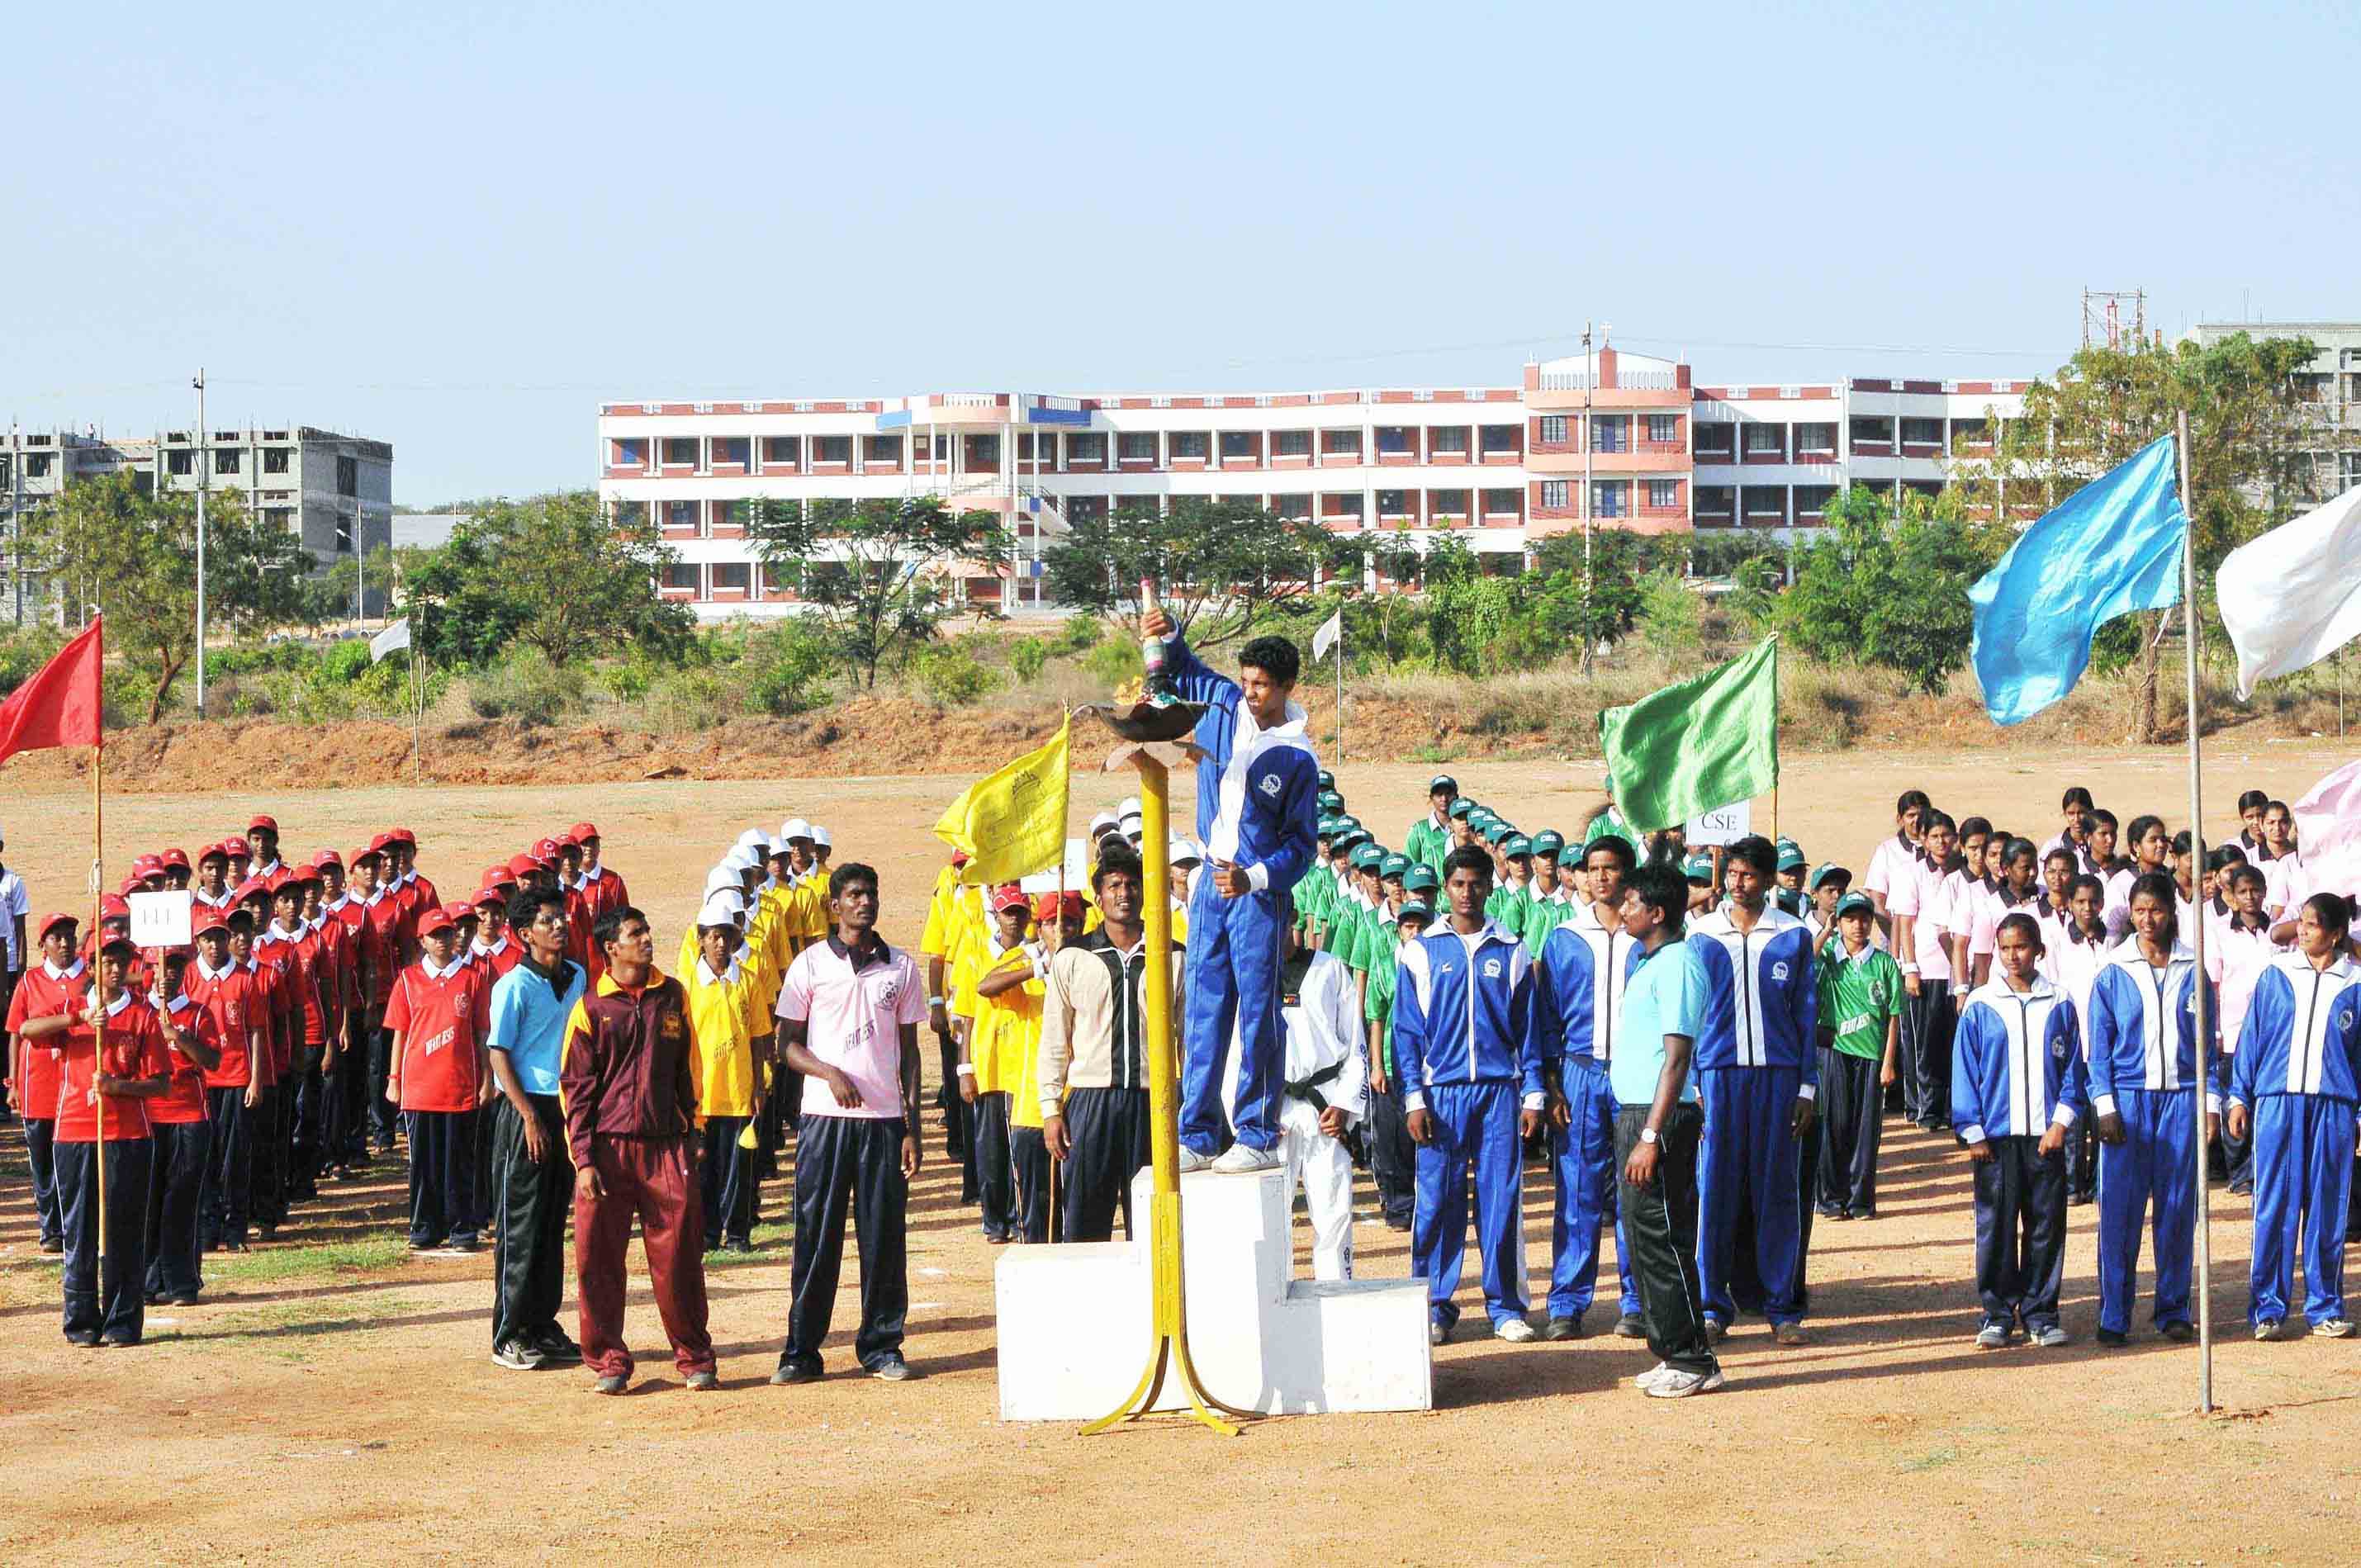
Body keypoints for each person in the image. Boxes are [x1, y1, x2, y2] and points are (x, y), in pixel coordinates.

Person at [1145, 605, 1320, 1177]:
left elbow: (1301, 845)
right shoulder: (1221, 702)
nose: (1250, 693)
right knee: (1202, 1008)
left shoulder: (1298, 756)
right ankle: (1196, 1132)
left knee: (1257, 1016)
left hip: (1257, 894)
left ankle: (1256, 1131)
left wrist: (1256, 877)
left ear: (1287, 687)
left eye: (1262, 685)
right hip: (1208, 883)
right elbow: (1183, 665)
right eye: (1245, 680)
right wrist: (1166, 631)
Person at [771, 862, 927, 1384]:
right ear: (834, 905)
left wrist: (913, 1127)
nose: (865, 902)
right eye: (855, 894)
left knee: (883, 1237)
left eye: (871, 893)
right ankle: (801, 1351)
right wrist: (828, 1071)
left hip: (883, 1122)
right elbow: (785, 1044)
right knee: (817, 1236)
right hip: (824, 1120)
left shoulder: (900, 967)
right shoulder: (809, 964)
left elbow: (910, 1052)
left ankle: (882, 1346)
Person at [1394, 846, 1545, 1346]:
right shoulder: (1422, 951)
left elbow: (1529, 1028)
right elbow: (1407, 1033)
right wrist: (1414, 1097)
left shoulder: (1511, 948)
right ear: (1445, 887)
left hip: (1500, 1092)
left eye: (1477, 883)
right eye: (1458, 884)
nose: (1467, 893)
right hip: (1442, 1095)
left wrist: (1534, 1092)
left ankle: (1504, 1306)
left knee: (1501, 1199)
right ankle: (1435, 1305)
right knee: (1438, 1201)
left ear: (1489, 886)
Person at [563, 905, 714, 1393]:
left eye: (647, 930)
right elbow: (576, 1090)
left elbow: (690, 1067)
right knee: (598, 1257)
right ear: (612, 947)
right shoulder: (591, 1008)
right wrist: (584, 1161)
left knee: (679, 1255)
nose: (648, 939)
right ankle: (609, 1360)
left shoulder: (673, 996)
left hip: (665, 1147)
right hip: (605, 1151)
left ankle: (694, 1357)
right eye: (636, 933)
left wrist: (695, 1130)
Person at [1686, 834, 1818, 1345]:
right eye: (1733, 875)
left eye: (1749, 876)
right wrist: (1694, 1079)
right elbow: (1692, 1015)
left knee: (1777, 1191)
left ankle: (1781, 1307)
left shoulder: (1792, 935)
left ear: (1767, 880)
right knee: (1715, 1189)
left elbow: (1806, 1014)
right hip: (1718, 1076)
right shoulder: (1702, 934)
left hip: (1778, 1076)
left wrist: (1806, 1087)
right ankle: (1712, 1305)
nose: (1739, 885)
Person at [2086, 874, 2219, 1347]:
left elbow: (2208, 1045)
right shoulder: (2113, 971)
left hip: (2181, 1098)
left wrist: (2210, 1104)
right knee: (2119, 1213)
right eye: (2140, 911)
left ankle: (2173, 1309)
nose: (2148, 919)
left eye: (2156, 910)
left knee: (2179, 1209)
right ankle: (2114, 1313)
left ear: (2171, 911)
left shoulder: (2193, 970)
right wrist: (2104, 1106)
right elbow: (2098, 1049)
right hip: (2128, 1100)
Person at [1610, 859, 1723, 1398]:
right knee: (1646, 1236)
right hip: (1638, 1110)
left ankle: (1691, 1356)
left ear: (1656, 912)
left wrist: (1650, 1135)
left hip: (1659, 1116)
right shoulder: (1651, 961)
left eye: (1631, 902)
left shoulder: (1678, 962)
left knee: (1662, 1237)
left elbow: (1676, 1059)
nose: (1621, 908)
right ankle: (1674, 1348)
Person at [23, 936, 171, 1345]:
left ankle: (123, 1321)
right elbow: (27, 1028)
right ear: (92, 968)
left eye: (122, 962)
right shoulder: (72, 1009)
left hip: (127, 1136)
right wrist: (80, 1020)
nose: (115, 969)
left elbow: (160, 1084)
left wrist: (117, 1087)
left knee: (124, 1230)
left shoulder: (142, 1016)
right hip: (74, 1133)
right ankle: (81, 1320)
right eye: (107, 962)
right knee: (80, 1232)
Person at [2226, 893, 2361, 1340]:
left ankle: (2324, 1307)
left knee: (2327, 1206)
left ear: (2337, 933)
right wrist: (2238, 1097)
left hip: (2334, 1105)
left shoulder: (2355, 983)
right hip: (2278, 1102)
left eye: (2312, 924)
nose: (2301, 931)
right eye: (2300, 922)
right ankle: (2268, 1306)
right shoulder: (2277, 974)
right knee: (2274, 1206)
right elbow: (2252, 1039)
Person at [1951, 913, 2084, 1348]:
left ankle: (2041, 1313)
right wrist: (1972, 1130)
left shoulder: (2060, 1002)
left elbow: (2072, 1070)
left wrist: (2061, 1122)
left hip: (2045, 1138)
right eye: (2005, 948)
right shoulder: (1981, 1004)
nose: (2013, 956)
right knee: (1997, 1227)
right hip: (1996, 1139)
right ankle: (1996, 1312)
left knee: (2046, 1226)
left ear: (2038, 950)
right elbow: (1966, 1070)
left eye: (2022, 947)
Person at [1532, 831, 1644, 1340]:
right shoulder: (1563, 937)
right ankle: (1567, 1301)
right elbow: (1547, 1015)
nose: (1601, 877)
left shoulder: (1648, 936)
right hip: (1578, 1071)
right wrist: (1550, 1083)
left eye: (1611, 868)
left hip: (1633, 1072)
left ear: (1627, 873)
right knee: (1576, 1186)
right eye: (1593, 868)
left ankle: (1636, 1299)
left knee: (1634, 1188)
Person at [1040, 845, 1181, 1242]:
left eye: (1133, 884)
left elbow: (1186, 1037)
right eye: (1114, 885)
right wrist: (1051, 1108)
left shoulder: (1171, 955)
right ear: (1098, 897)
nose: (1124, 893)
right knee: (1085, 1220)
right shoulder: (1073, 957)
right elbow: (1055, 1038)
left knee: (1154, 1224)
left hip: (1152, 1101)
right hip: (1090, 1100)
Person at [485, 886, 586, 1372]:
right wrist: (526, 1114)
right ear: (526, 935)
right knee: (519, 1226)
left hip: (565, 1107)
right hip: (525, 1112)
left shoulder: (577, 976)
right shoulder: (514, 986)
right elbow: (499, 1053)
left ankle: (543, 1324)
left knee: (550, 1223)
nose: (560, 926)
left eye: (561, 917)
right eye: (548, 921)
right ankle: (508, 1333)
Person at [384, 902, 495, 1253]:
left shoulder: (472, 978)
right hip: (418, 1089)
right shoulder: (407, 980)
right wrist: (393, 1078)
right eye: (436, 936)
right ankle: (424, 1228)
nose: (444, 941)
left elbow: (482, 1034)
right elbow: (400, 1033)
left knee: (460, 1161)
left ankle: (463, 1229)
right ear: (423, 942)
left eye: (447, 934)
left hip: (460, 1087)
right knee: (424, 1165)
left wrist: (487, 1079)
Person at [1265, 915, 1365, 1281]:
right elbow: (1235, 1056)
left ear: (1294, 918)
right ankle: (1273, 1294)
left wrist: (1344, 1105)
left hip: (1325, 1105)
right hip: (1273, 1110)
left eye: (1281, 917)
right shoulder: (1248, 973)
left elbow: (1356, 1046)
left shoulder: (1330, 968)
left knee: (1334, 1209)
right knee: (1270, 1213)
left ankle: (1337, 1289)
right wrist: (1248, 1116)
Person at [957, 885, 1042, 1245]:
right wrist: (965, 1069)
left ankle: (1018, 1214)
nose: (1015, 920)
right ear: (997, 915)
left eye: (1021, 913)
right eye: (1009, 913)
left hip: (1022, 1064)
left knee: (1019, 1148)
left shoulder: (1034, 955)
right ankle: (994, 1219)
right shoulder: (977, 952)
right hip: (989, 1063)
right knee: (990, 1148)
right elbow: (966, 1016)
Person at [685, 899, 768, 1255]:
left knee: (739, 1170)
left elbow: (761, 1036)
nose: (721, 944)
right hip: (702, 1096)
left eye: (727, 936)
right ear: (701, 939)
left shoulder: (747, 981)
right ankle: (706, 1234)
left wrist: (761, 1085)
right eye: (714, 937)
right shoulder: (687, 986)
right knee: (705, 1171)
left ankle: (738, 1233)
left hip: (739, 1092)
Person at [1816, 892, 1902, 1221]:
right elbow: (1804, 958)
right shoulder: (1829, 959)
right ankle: (1830, 1198)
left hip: (1871, 1056)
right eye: (1850, 919)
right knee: (1834, 1126)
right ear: (1839, 923)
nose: (1858, 925)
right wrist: (1826, 931)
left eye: (1864, 918)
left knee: (1866, 1132)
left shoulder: (1883, 963)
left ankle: (1861, 1199)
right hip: (1836, 1052)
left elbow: (1894, 1014)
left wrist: (1889, 1062)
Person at [6, 911, 85, 1253]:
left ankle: (73, 1223)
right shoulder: (30, 982)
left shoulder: (89, 978)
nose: (65, 943)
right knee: (41, 1160)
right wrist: (12, 1083)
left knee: (71, 1157)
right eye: (57, 938)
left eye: (69, 936)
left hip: (75, 1079)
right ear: (43, 946)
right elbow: (15, 1033)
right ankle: (50, 1226)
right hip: (36, 1080)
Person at [143, 949, 218, 1306]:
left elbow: (213, 1059)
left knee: (183, 1199)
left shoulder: (199, 1011)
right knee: (148, 1200)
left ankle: (182, 1281)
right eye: (158, 967)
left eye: (173, 967)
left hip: (189, 1116)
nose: (165, 975)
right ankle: (147, 1279)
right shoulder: (140, 1013)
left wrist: (178, 1036)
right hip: (147, 1118)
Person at [1363, 889, 1432, 1234]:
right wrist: (1376, 1064)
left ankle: (1432, 1205)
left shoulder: (1438, 962)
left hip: (1431, 1065)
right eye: (1408, 926)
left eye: (1421, 926)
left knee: (1430, 1136)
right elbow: (1376, 1014)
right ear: (1398, 929)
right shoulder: (1384, 961)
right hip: (1392, 1062)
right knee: (1393, 1140)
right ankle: (1400, 1206)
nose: (1415, 932)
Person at [1406, 775, 1458, 876]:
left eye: (1448, 794)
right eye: (1439, 794)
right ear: (1431, 798)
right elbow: (1410, 866)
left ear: (1456, 797)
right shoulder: (1419, 830)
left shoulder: (1464, 828)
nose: (1444, 799)